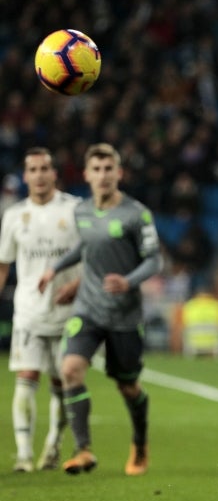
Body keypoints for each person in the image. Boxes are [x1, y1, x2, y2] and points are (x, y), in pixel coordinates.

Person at [38, 143, 163, 476]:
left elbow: (154, 260)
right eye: (97, 169)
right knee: (70, 370)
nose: (103, 175)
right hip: (88, 309)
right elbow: (86, 247)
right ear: (87, 175)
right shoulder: (81, 211)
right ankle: (83, 451)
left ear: (119, 173)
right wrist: (56, 269)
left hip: (123, 315)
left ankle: (139, 442)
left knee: (128, 387)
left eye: (109, 169)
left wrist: (129, 281)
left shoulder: (137, 214)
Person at [0, 147, 81, 472]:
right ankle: (23, 455)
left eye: (44, 168)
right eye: (32, 169)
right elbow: (3, 264)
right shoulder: (14, 216)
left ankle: (53, 445)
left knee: (62, 381)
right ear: (25, 176)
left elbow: (93, 254)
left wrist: (76, 286)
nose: (39, 175)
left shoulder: (75, 210)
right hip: (29, 310)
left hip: (68, 311)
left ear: (54, 173)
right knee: (26, 376)